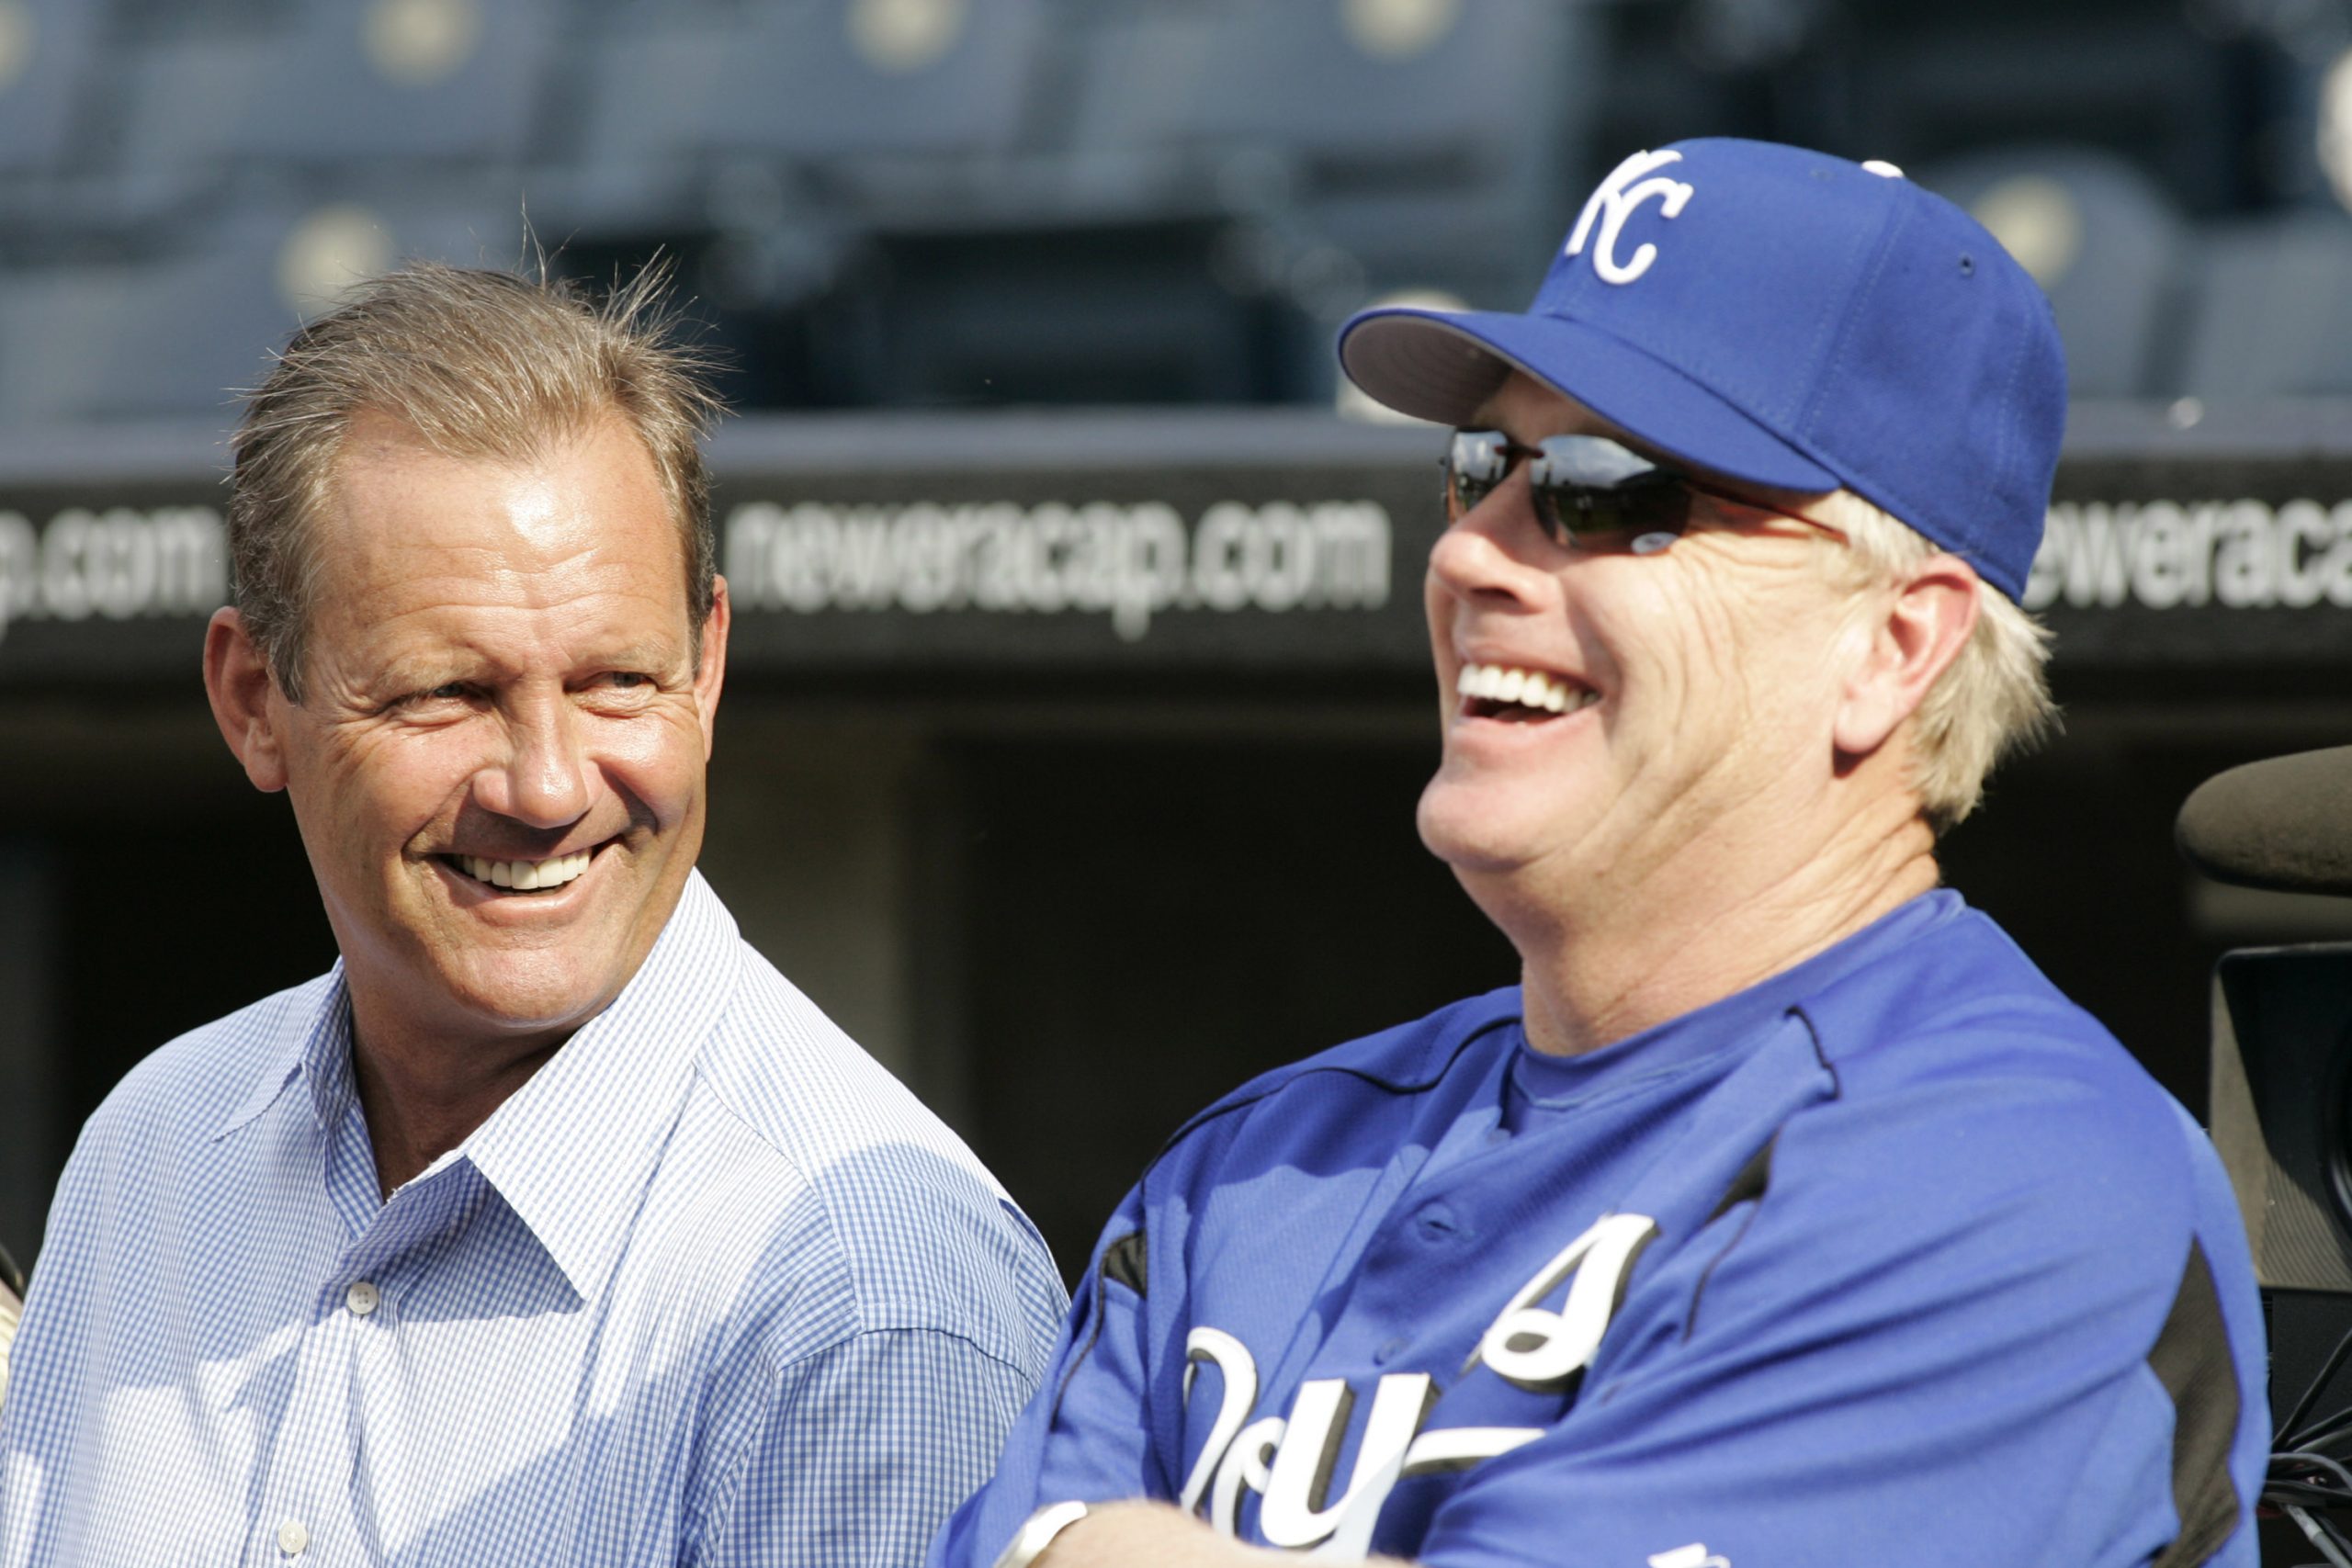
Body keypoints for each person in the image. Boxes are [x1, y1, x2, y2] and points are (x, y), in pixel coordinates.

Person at [931, 139, 2268, 1568]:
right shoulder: (1258, 1166)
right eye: (1480, 467)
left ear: (1891, 647)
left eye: (1604, 486)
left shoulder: (2019, 1175)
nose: (1470, 556)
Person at [0, 263, 1066, 1566]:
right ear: (250, 703)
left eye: (618, 680)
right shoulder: (153, 1158)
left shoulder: (869, 1298)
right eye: (446, 693)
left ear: (710, 665)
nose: (549, 786)